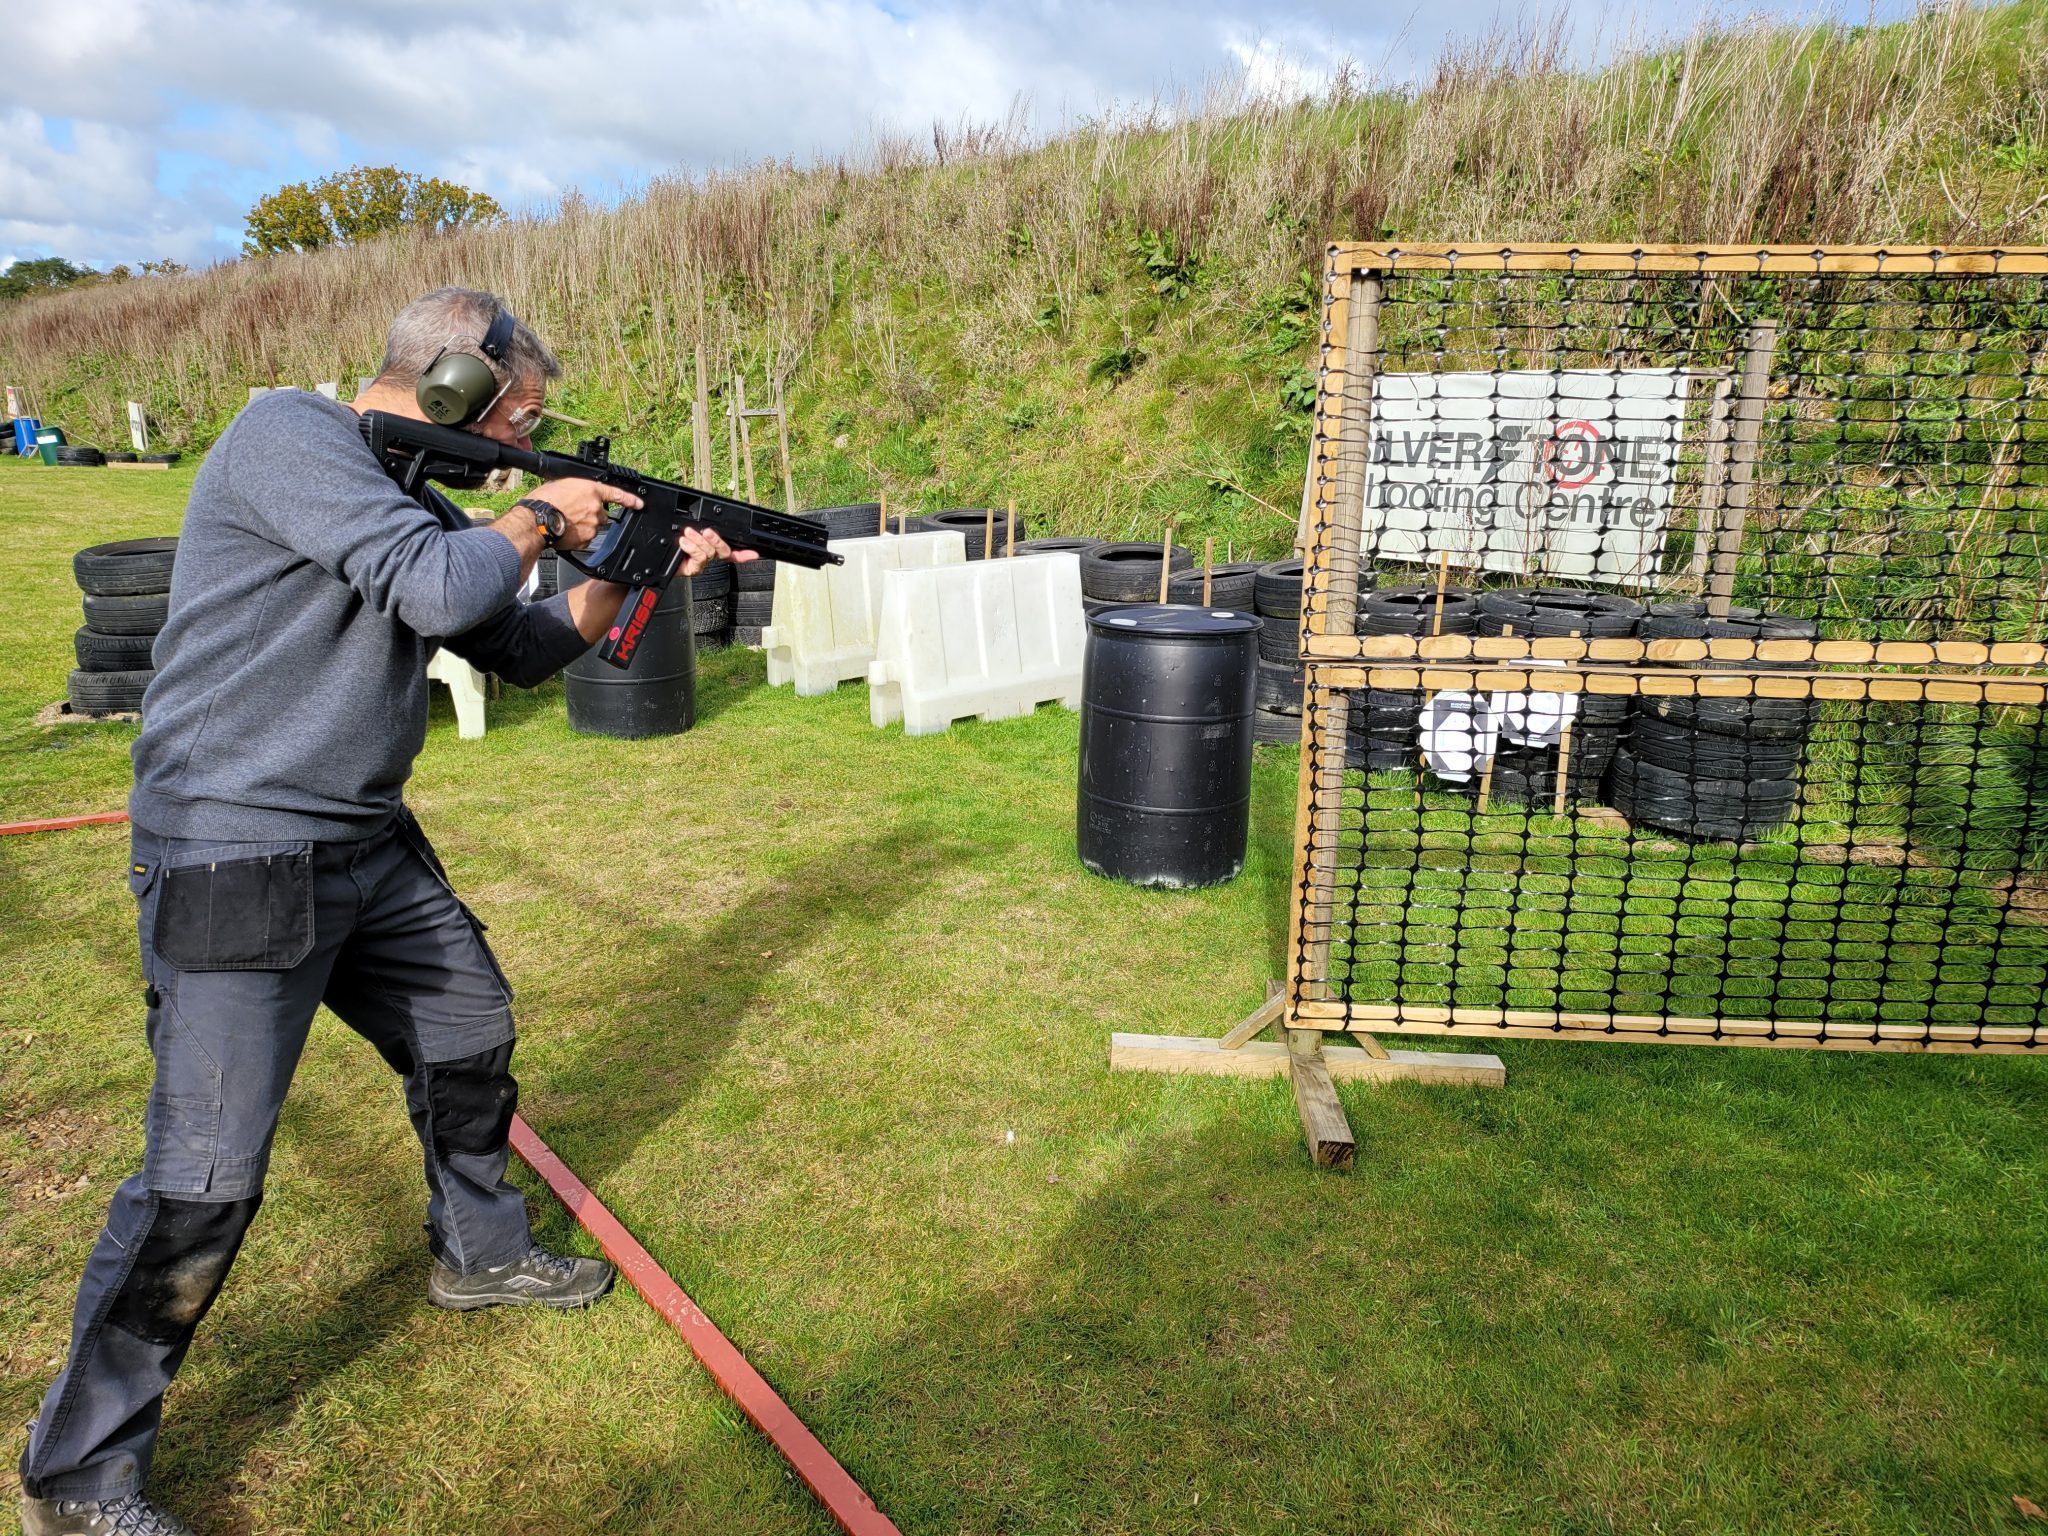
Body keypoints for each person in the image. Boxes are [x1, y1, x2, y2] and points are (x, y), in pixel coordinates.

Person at [18, 288, 752, 1536]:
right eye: (519, 416)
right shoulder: (285, 435)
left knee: (469, 1035)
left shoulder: (406, 490)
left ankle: (480, 1251)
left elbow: (509, 643)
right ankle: (78, 1475)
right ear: (457, 385)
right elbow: (436, 582)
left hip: (363, 837)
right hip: (235, 847)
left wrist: (636, 573)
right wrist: (537, 511)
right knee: (202, 1181)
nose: (525, 443)